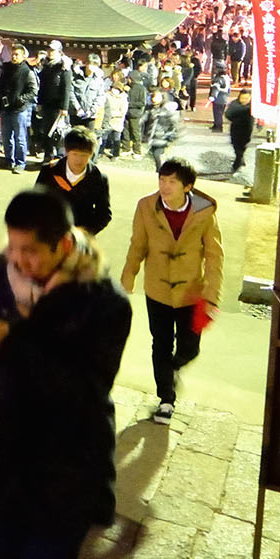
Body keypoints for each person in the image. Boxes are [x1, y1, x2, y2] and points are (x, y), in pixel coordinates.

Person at [0, 193, 130, 559]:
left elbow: (85, 389)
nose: (18, 259)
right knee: (2, 554)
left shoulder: (104, 304)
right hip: (15, 447)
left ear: (63, 246)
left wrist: (9, 342)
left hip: (72, 460)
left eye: (30, 251)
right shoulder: (5, 270)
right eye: (13, 247)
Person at [120, 158, 223, 425]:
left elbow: (214, 256)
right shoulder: (146, 206)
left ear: (187, 186)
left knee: (190, 347)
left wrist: (211, 294)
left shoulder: (204, 212)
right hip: (158, 290)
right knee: (161, 344)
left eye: (172, 182)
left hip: (191, 292)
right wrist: (128, 275)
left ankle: (174, 367)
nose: (165, 187)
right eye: (162, 180)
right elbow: (137, 244)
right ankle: (166, 399)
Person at [34, 127, 111, 234]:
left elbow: (103, 214)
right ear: (66, 151)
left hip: (80, 239)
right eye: (75, 154)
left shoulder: (98, 179)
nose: (79, 160)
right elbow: (35, 203)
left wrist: (84, 233)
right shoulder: (49, 172)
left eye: (84, 155)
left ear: (91, 154)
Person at [0, 44, 37, 171]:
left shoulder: (27, 71)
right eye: (13, 54)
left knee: (20, 137)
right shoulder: (6, 68)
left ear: (23, 56)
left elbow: (33, 90)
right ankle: (9, 160)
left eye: (17, 54)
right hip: (5, 108)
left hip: (19, 109)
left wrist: (21, 100)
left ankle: (20, 162)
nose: (14, 57)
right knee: (6, 136)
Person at [148, 78, 182, 170]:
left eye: (166, 82)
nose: (164, 83)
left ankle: (161, 169)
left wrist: (173, 134)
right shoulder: (154, 108)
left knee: (157, 153)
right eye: (163, 82)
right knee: (155, 153)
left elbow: (174, 123)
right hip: (156, 135)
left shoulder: (169, 98)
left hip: (162, 135)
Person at [225, 88, 255, 176]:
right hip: (235, 128)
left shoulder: (253, 106)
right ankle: (240, 160)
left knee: (242, 147)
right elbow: (228, 114)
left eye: (246, 98)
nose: (244, 100)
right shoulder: (234, 104)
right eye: (242, 98)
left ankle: (237, 164)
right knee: (235, 145)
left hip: (247, 129)